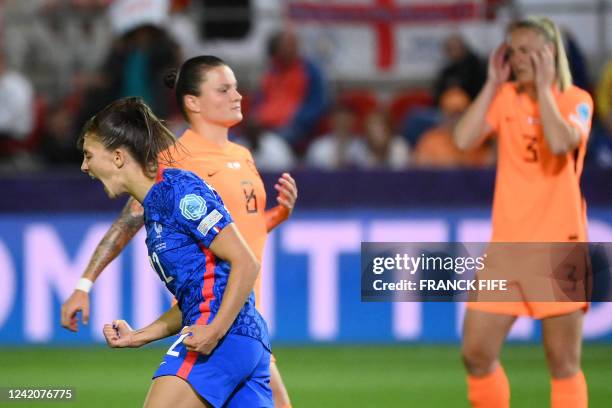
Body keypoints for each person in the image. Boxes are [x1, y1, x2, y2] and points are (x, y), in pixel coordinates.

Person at [61, 56, 296, 407]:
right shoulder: (166, 189)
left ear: (119, 157)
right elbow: (198, 286)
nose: (84, 167)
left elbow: (245, 258)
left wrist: (214, 332)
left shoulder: (178, 186)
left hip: (223, 329)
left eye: (89, 156)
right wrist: (138, 333)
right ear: (193, 102)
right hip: (234, 328)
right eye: (224, 88)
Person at [454, 16, 593, 408]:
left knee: (562, 363)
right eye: (513, 51)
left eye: (528, 50)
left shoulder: (576, 100)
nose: (518, 59)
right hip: (507, 250)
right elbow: (463, 139)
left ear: (551, 54)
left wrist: (546, 90)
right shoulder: (506, 98)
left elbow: (559, 141)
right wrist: (493, 84)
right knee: (476, 353)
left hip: (559, 247)